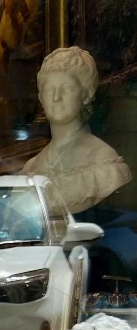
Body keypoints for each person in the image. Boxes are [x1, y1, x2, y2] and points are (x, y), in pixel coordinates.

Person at [21, 47, 130, 213]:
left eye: (67, 89)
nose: (56, 97)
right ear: (41, 98)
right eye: (50, 90)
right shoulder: (31, 167)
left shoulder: (104, 161)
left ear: (86, 95)